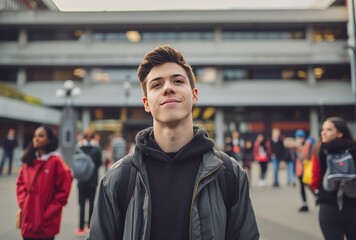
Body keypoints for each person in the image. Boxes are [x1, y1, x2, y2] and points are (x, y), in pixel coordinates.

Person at [89, 45, 259, 240]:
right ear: (146, 103)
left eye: (177, 81)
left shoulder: (229, 174)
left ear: (194, 95)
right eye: (156, 85)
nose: (168, 88)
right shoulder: (117, 178)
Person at [16, 125, 73, 240]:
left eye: (41, 136)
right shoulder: (29, 160)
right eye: (35, 135)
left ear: (50, 140)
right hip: (27, 221)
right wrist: (24, 203)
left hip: (46, 224)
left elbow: (63, 193)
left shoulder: (56, 162)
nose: (36, 138)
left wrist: (46, 215)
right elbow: (20, 183)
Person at [315, 117, 356, 240]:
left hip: (329, 207)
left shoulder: (319, 150)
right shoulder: (354, 150)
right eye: (323, 129)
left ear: (340, 133)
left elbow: (314, 179)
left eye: (329, 129)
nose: (323, 132)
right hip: (353, 205)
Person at [75, 128, 102, 237]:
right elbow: (99, 163)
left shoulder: (78, 147)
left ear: (84, 136)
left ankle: (80, 227)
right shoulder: (97, 149)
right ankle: (89, 226)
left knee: (81, 204)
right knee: (91, 203)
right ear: (93, 137)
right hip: (92, 179)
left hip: (81, 180)